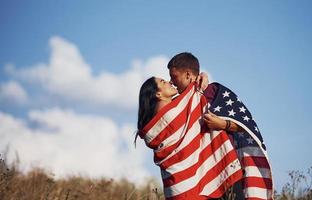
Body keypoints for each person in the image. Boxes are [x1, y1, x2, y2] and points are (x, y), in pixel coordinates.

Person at [166, 52, 273, 200]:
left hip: (226, 167)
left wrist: (222, 124)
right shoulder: (178, 105)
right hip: (199, 174)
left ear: (188, 75)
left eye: (174, 77)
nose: (171, 81)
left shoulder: (214, 92)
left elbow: (245, 124)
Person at [136, 76, 243, 199]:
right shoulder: (177, 112)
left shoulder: (154, 129)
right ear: (158, 94)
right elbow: (194, 94)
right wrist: (197, 81)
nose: (169, 82)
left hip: (178, 188)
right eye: (163, 82)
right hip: (190, 185)